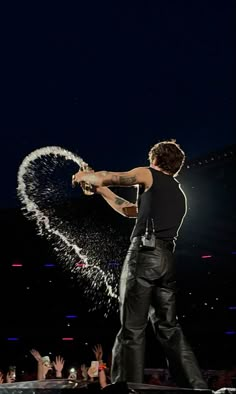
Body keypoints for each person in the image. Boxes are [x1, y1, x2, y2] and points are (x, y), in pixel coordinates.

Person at [72, 140, 207, 389]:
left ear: (153, 159)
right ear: (176, 167)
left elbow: (114, 177)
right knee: (169, 328)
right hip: (166, 262)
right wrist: (100, 190)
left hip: (144, 255)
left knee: (132, 327)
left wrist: (89, 176)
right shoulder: (178, 194)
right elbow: (129, 211)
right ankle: (197, 386)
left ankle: (127, 387)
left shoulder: (147, 173)